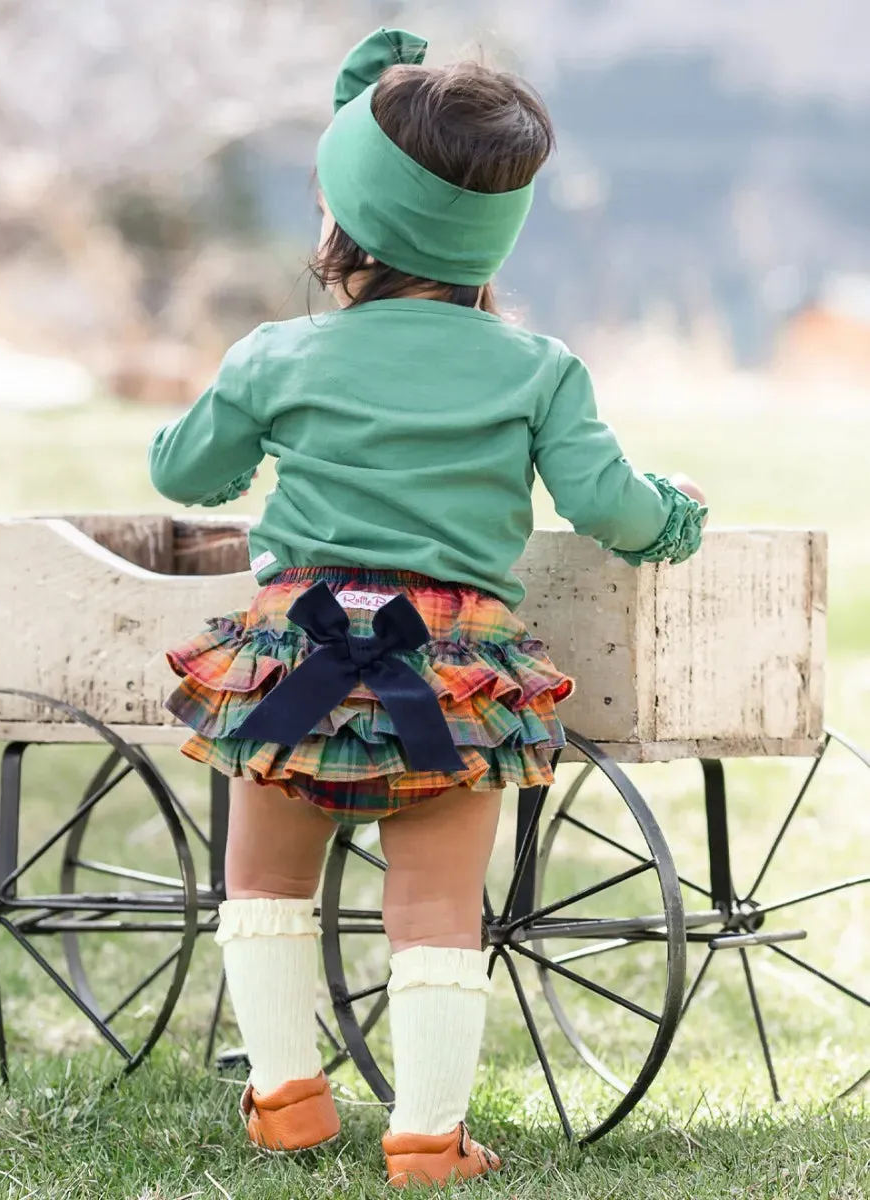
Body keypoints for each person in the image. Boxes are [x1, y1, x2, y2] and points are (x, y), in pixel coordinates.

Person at [149, 27, 707, 1189]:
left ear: (338, 229)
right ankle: (427, 1136)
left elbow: (184, 474)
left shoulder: (274, 355)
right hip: (451, 668)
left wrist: (214, 419)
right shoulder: (537, 366)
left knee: (261, 883)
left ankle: (287, 1097)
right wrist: (678, 512)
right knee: (440, 906)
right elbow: (613, 506)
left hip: (292, 653)